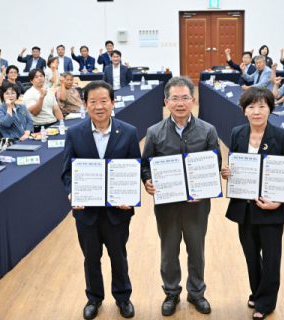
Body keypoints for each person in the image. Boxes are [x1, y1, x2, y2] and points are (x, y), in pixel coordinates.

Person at [141, 76, 221, 316]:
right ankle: (171, 293)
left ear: (193, 101)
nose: (180, 103)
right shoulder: (154, 132)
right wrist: (147, 180)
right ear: (166, 102)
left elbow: (214, 163)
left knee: (196, 250)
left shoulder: (208, 130)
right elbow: (145, 164)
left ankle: (196, 293)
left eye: (185, 98)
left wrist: (204, 188)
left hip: (197, 205)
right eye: (174, 98)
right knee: (169, 250)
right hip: (167, 204)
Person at [61, 80, 139, 319]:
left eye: (104, 101)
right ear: (85, 105)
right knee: (91, 258)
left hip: (118, 211)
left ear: (113, 103)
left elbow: (135, 168)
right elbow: (67, 172)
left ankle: (123, 297)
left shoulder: (128, 131)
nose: (99, 106)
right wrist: (72, 190)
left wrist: (130, 195)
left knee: (119, 257)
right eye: (92, 102)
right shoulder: (74, 133)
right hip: (87, 212)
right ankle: (94, 298)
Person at [220, 86, 284, 320]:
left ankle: (266, 302)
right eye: (251, 106)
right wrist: (227, 172)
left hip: (271, 208)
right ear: (244, 111)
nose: (257, 111)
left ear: (270, 109)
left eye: (262, 106)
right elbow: (235, 163)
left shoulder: (281, 136)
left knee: (271, 259)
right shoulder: (237, 132)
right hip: (245, 207)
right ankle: (257, 291)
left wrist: (278, 202)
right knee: (251, 255)